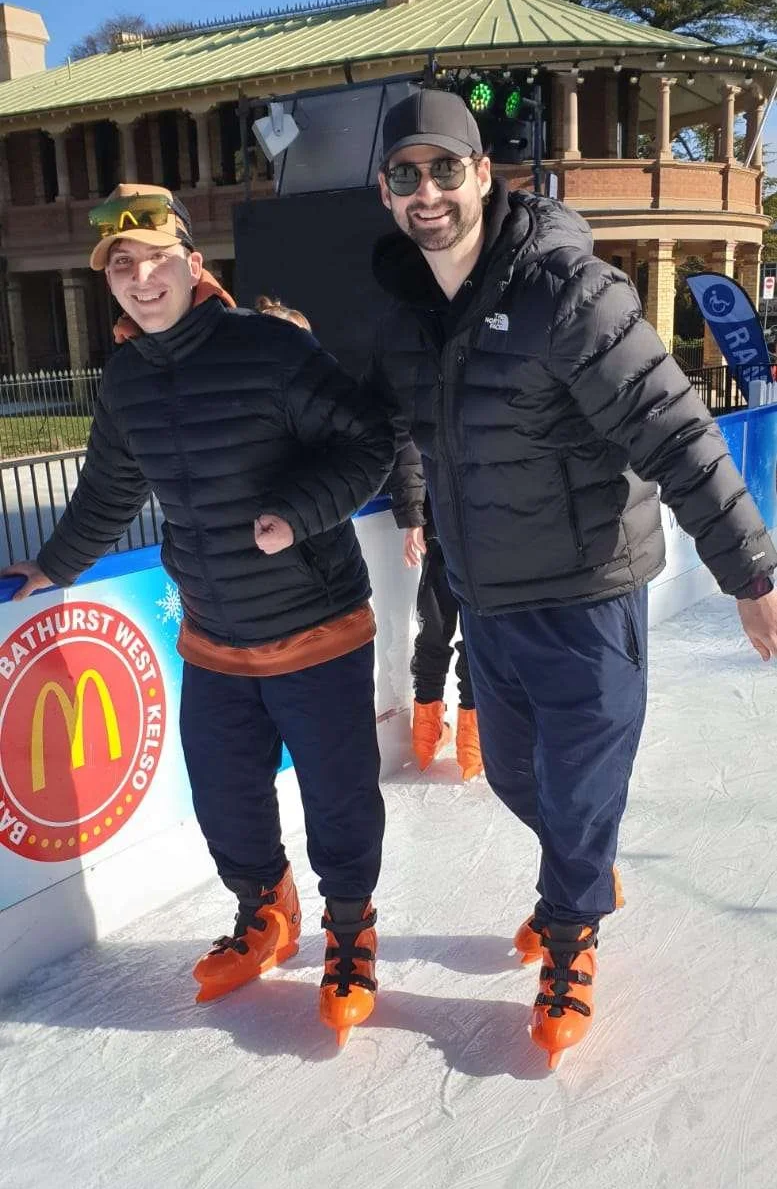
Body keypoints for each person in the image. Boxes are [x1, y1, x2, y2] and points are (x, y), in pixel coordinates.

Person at [369, 88, 777, 1068]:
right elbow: (395, 437)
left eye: (445, 167)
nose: (428, 191)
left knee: (581, 788)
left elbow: (675, 431)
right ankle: (584, 873)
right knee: (518, 777)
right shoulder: (408, 311)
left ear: (483, 174)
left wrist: (751, 572)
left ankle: (570, 928)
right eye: (406, 174)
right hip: (490, 598)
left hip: (590, 589)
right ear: (386, 192)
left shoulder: (568, 292)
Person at [2, 184, 395, 1047]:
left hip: (316, 624)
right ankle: (265, 912)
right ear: (108, 280)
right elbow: (108, 491)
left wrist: (295, 514)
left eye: (155, 259)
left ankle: (350, 928)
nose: (141, 279)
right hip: (215, 634)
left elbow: (367, 440)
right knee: (224, 796)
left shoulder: (268, 347)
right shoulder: (127, 380)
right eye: (122, 266)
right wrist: (53, 565)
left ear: (191, 263)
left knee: (337, 795)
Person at [387, 440, 483, 779]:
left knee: (434, 630)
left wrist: (414, 518)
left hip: (439, 520)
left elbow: (408, 449)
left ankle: (426, 737)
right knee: (477, 633)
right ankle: (472, 744)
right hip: (485, 524)